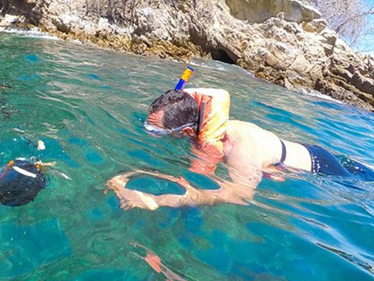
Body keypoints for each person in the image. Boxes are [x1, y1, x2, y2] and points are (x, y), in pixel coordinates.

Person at [107, 86, 374, 210]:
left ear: (186, 131)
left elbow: (241, 196)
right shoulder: (202, 128)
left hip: (320, 168)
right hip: (285, 155)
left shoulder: (237, 147)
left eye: (156, 131)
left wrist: (158, 201)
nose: (150, 134)